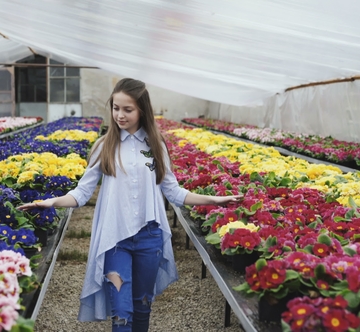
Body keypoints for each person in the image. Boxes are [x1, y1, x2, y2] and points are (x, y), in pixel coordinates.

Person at [18, 78, 242, 332]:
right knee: (122, 313)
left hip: (150, 237)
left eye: (128, 109)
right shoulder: (105, 146)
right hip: (115, 241)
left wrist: (213, 200)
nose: (120, 115)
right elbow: (82, 193)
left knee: (142, 306)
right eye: (116, 108)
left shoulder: (155, 146)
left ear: (142, 111)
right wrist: (51, 202)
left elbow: (174, 192)